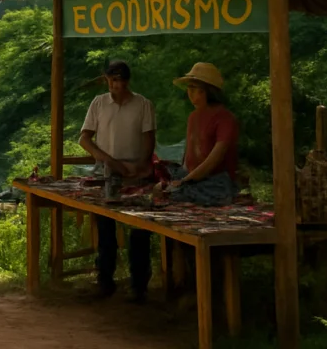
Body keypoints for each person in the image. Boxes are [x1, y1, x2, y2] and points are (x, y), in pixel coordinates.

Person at [78, 60, 155, 302]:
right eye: (113, 80)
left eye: (121, 81)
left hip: (135, 170)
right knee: (105, 227)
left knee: (140, 229)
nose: (117, 85)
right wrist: (107, 160)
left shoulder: (143, 104)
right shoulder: (99, 103)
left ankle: (139, 286)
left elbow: (149, 140)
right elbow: (85, 139)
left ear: (127, 81)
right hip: (106, 169)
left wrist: (140, 166)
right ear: (106, 80)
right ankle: (105, 280)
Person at [165, 62, 240, 206]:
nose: (189, 92)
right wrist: (180, 178)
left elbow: (213, 160)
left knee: (179, 193)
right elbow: (188, 157)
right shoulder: (193, 117)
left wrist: (185, 181)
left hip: (215, 181)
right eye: (189, 87)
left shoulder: (225, 118)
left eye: (193, 87)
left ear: (207, 91)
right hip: (190, 178)